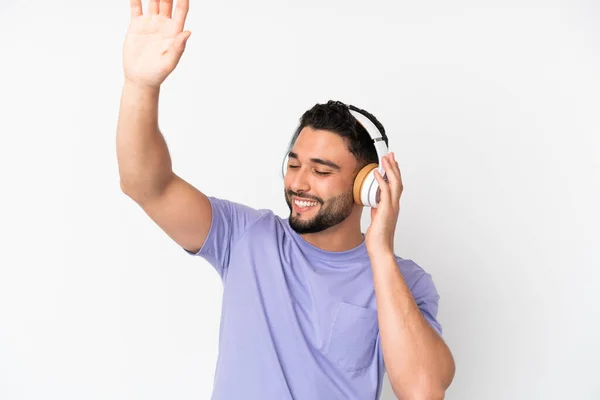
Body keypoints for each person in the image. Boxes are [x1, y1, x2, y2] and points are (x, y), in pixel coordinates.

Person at [117, 0, 455, 399]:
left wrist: (380, 251)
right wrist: (141, 86)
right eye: (293, 164)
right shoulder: (244, 236)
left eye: (322, 170)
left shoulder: (406, 282)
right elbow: (146, 184)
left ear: (367, 184)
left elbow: (422, 389)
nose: (300, 182)